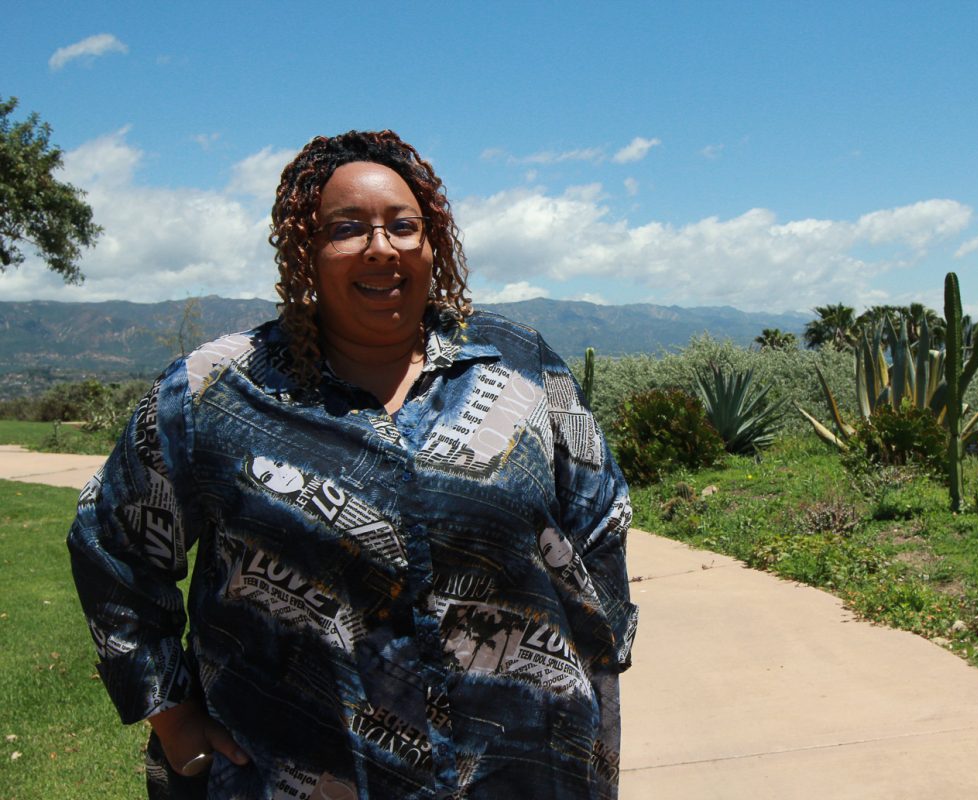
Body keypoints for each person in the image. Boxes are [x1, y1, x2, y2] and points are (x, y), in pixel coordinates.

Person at [68, 130, 637, 800]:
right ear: (305, 252)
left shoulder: (518, 363)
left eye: (403, 225)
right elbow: (113, 539)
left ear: (434, 245)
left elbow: (598, 513)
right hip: (296, 772)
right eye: (347, 229)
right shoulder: (218, 389)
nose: (381, 246)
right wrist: (170, 711)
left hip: (520, 769)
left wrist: (593, 674)